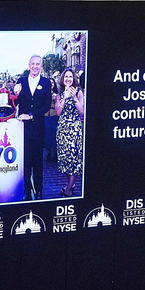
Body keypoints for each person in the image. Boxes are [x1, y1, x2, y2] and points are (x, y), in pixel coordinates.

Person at [16, 55, 53, 200]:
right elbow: (16, 102)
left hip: (38, 128)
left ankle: (38, 190)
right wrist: (15, 92)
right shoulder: (21, 81)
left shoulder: (46, 82)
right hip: (23, 129)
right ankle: (26, 190)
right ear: (29, 65)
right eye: (33, 64)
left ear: (41, 66)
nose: (35, 66)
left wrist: (31, 115)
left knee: (38, 161)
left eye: (38, 64)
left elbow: (46, 106)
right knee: (25, 160)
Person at [55, 68, 85, 197]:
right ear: (62, 79)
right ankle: (71, 186)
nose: (68, 79)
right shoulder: (58, 95)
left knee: (75, 160)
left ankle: (68, 189)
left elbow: (82, 111)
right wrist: (64, 98)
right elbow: (58, 112)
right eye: (66, 76)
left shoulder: (79, 92)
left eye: (70, 77)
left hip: (75, 130)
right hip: (63, 131)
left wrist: (73, 98)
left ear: (74, 79)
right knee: (66, 160)